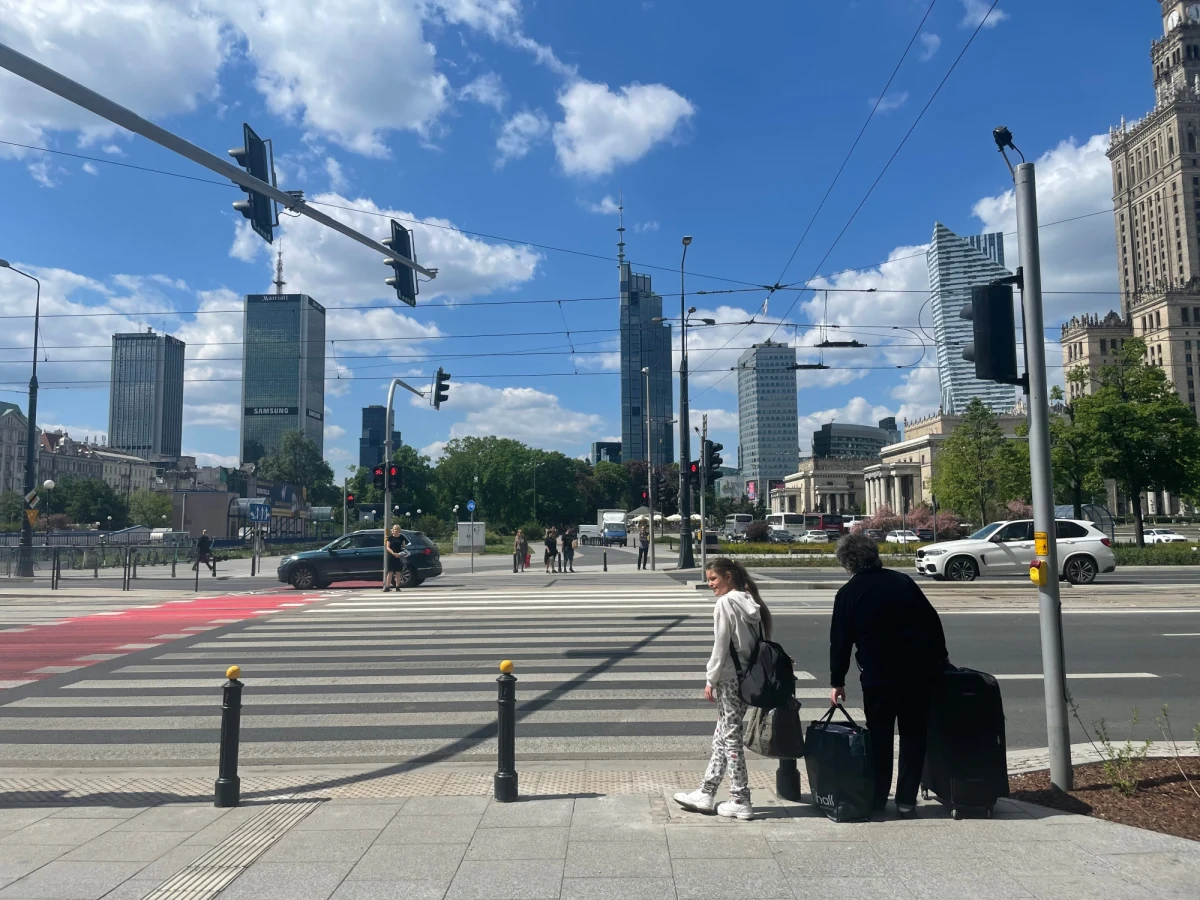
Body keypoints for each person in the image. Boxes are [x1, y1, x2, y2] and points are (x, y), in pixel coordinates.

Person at [829, 531, 949, 818]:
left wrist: (837, 680)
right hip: (918, 671)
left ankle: (878, 797)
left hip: (878, 673)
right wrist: (940, 659)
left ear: (848, 564)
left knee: (879, 736)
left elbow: (840, 641)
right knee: (913, 734)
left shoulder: (849, 593)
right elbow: (932, 623)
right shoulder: (903, 581)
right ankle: (906, 799)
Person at [673, 557, 774, 821]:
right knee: (723, 734)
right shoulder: (751, 600)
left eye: (713, 578)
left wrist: (710, 679)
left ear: (728, 576)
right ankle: (706, 792)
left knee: (730, 739)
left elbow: (721, 645)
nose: (710, 584)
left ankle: (740, 798)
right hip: (750, 677)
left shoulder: (726, 603)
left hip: (730, 677)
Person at [383, 524, 409, 592]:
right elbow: (388, 547)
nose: (396, 530)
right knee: (390, 571)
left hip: (399, 555)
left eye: (397, 529)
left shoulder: (402, 537)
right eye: (395, 529)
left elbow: (403, 546)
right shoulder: (390, 538)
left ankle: (397, 586)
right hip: (391, 555)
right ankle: (387, 587)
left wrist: (402, 552)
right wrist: (393, 553)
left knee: (398, 572)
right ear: (393, 530)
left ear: (399, 530)